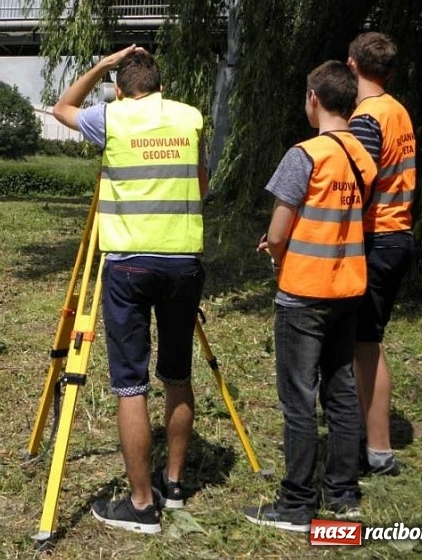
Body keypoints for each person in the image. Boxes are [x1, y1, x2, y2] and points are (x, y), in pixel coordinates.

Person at [53, 45, 208, 534]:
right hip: (183, 261)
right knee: (177, 375)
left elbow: (62, 108)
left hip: (127, 264)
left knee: (130, 384)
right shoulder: (189, 118)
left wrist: (100, 65)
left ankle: (142, 505)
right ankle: (176, 484)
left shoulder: (112, 117)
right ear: (161, 86)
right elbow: (202, 184)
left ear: (119, 89)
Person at [245, 60, 377, 532]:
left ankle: (297, 503)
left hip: (303, 293)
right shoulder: (363, 156)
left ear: (314, 99)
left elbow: (280, 230)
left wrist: (273, 245)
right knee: (339, 392)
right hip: (348, 290)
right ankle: (342, 494)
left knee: (299, 398)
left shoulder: (305, 154)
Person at [348, 32, 416, 477]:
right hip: (399, 233)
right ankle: (374, 442)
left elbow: (359, 184)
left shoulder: (366, 118)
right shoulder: (398, 111)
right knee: (368, 342)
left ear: (352, 66)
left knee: (364, 345)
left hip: (376, 238)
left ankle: (376, 449)